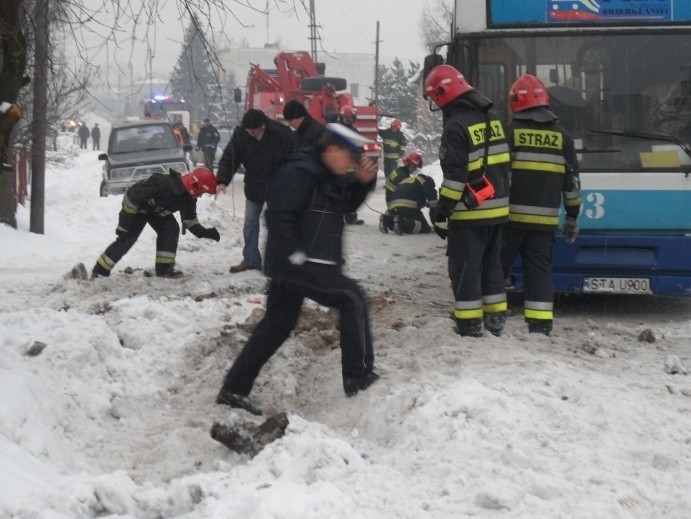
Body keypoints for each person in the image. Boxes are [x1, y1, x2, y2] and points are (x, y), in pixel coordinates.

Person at [215, 123, 379, 415]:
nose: (352, 164)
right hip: (302, 263)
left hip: (302, 263)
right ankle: (358, 377)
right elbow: (277, 214)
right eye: (349, 156)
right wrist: (295, 253)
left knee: (276, 326)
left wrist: (364, 182)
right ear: (332, 149)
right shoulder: (300, 171)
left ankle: (233, 390)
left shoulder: (328, 173)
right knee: (352, 298)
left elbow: (345, 205)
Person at [423, 64, 511, 337]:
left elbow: (453, 180)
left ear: (443, 94)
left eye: (435, 99)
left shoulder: (455, 127)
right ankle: (496, 320)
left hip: (470, 213)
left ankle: (470, 323)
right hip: (498, 210)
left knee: (466, 269)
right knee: (492, 267)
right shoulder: (492, 119)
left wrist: (442, 213)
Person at [501, 74, 582, 336]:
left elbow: (499, 177)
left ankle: (492, 319)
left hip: (508, 221)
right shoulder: (564, 139)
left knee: (496, 270)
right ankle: (540, 325)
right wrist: (572, 216)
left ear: (516, 102)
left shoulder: (509, 134)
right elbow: (572, 184)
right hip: (543, 224)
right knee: (539, 273)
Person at [91, 167, 220, 279]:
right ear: (195, 186)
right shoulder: (160, 183)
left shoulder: (188, 199)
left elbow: (190, 220)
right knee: (126, 238)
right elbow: (133, 199)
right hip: (137, 209)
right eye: (202, 192)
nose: (201, 195)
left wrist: (205, 233)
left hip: (156, 212)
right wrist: (124, 225)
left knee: (170, 229)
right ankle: (99, 271)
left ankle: (164, 270)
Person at [216, 109, 297, 273]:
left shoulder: (281, 134)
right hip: (254, 186)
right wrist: (222, 180)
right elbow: (230, 158)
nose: (250, 132)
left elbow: (294, 159)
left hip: (277, 187)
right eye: (248, 129)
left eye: (254, 129)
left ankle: (280, 261)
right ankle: (251, 259)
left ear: (263, 126)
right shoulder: (241, 135)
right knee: (250, 224)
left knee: (278, 225)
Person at [339, 105, 365, 225]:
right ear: (341, 118)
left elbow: (359, 148)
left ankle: (351, 217)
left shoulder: (354, 131)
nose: (348, 120)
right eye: (346, 118)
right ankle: (337, 218)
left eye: (350, 118)